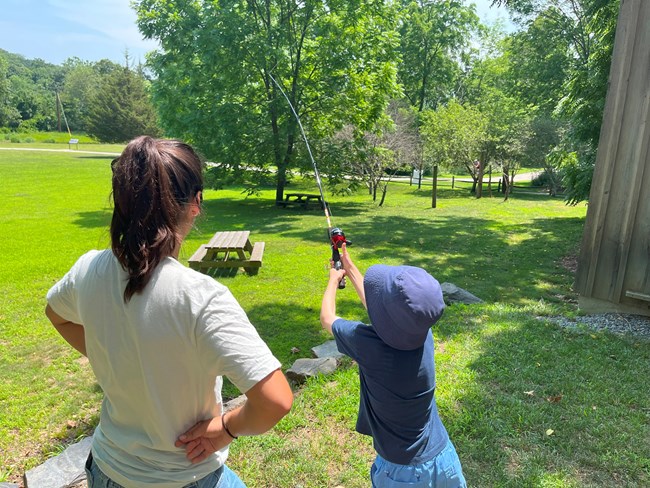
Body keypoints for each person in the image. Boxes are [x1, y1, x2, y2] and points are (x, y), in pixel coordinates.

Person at [45, 136, 293, 488]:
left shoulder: (87, 269)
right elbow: (276, 401)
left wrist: (118, 354)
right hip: (188, 477)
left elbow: (56, 314)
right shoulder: (201, 297)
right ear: (196, 204)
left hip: (105, 469)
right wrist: (225, 428)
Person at [320, 243, 466, 487]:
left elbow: (327, 318)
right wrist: (351, 267)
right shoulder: (422, 334)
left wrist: (333, 280)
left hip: (402, 473)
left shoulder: (367, 345)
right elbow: (385, 314)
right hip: (444, 458)